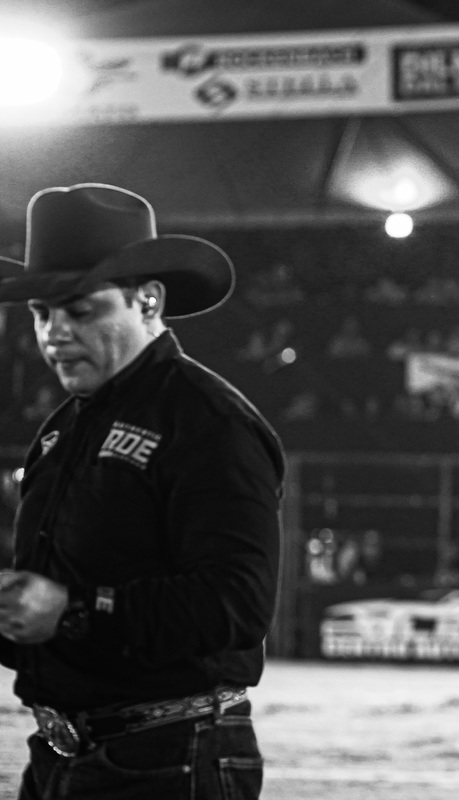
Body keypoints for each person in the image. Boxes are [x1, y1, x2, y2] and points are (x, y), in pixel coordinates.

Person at [0, 183, 285, 799]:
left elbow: (238, 603)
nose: (53, 334)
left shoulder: (209, 421)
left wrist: (72, 609)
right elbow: (47, 609)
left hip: (170, 758)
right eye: (41, 313)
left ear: (148, 300)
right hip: (65, 757)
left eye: (80, 311)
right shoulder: (62, 431)